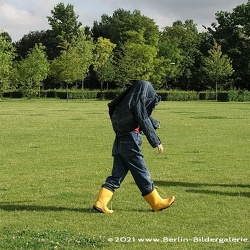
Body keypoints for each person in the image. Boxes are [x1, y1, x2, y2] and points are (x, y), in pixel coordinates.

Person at [93, 80, 175, 213]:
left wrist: (154, 123)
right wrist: (156, 142)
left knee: (116, 175)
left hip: (120, 141)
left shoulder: (127, 101)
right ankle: (156, 203)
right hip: (131, 140)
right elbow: (142, 116)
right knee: (141, 171)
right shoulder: (137, 103)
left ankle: (100, 202)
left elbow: (140, 115)